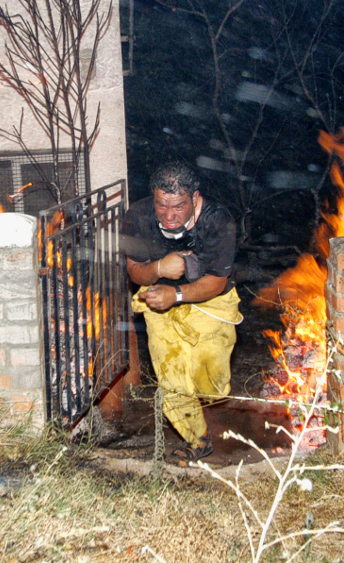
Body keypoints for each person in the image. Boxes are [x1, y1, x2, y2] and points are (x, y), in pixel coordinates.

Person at [120, 162, 242, 463]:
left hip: (210, 303)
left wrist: (176, 294)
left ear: (195, 197)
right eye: (162, 205)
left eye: (178, 206)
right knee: (172, 375)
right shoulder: (137, 215)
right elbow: (135, 271)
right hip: (157, 303)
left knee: (212, 384)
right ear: (153, 197)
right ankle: (196, 439)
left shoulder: (218, 221)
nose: (169, 215)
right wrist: (160, 268)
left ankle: (207, 400)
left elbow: (216, 282)